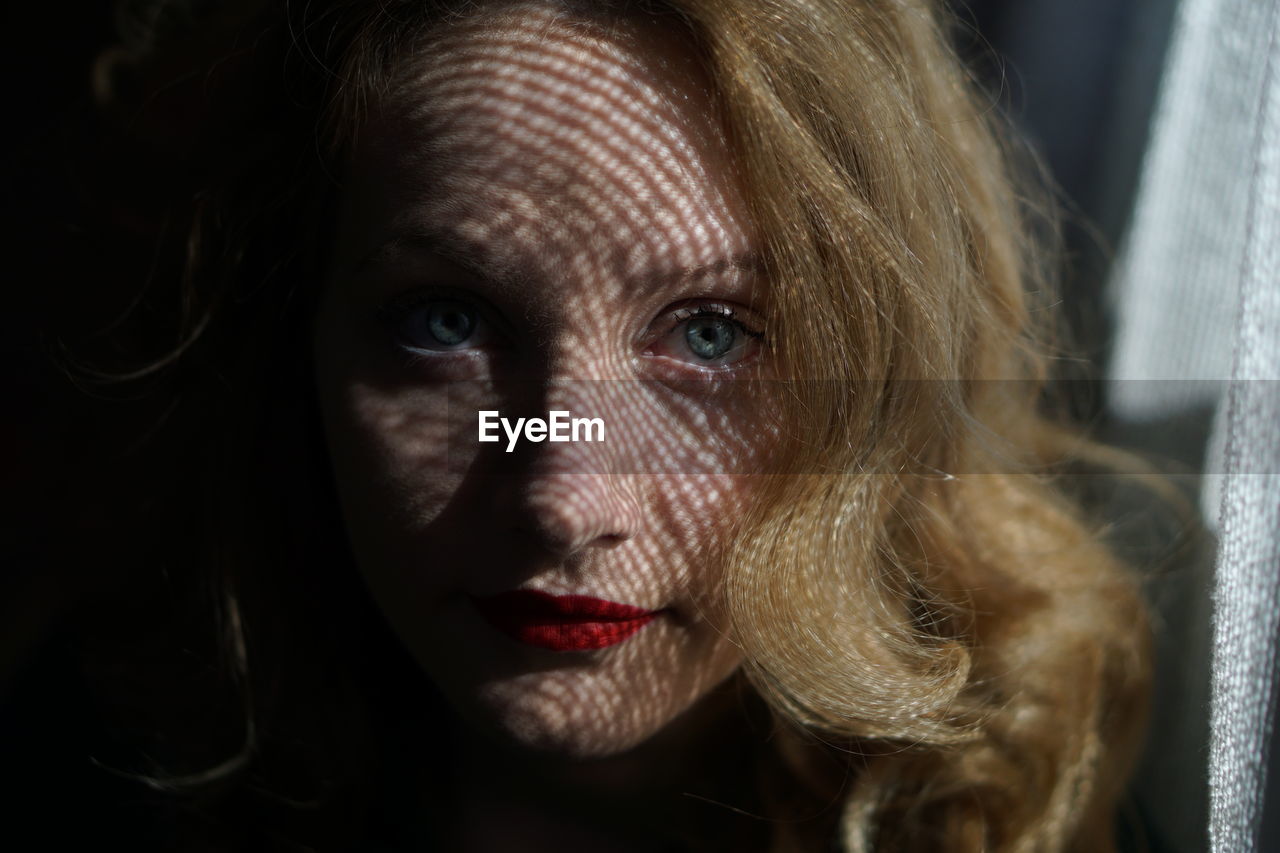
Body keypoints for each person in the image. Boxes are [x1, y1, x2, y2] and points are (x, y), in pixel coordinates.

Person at [25, 0, 1152, 849]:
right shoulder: (108, 758)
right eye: (444, 318)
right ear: (296, 338)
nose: (562, 496)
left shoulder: (1023, 808)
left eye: (711, 333)